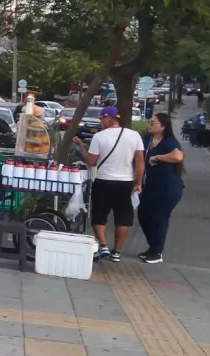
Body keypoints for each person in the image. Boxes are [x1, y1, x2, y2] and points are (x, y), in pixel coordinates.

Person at [72, 107, 145, 262]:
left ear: (108, 118)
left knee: (99, 215)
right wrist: (138, 182)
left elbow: (91, 162)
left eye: (101, 119)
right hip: (126, 183)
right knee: (123, 218)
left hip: (104, 181)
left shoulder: (99, 137)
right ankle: (116, 252)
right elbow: (139, 162)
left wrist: (82, 147)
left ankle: (103, 245)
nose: (100, 122)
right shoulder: (135, 136)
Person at [138, 113, 185, 264]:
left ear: (163, 126)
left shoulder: (169, 142)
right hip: (149, 185)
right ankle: (152, 247)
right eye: (149, 122)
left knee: (159, 218)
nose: (149, 125)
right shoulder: (147, 139)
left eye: (153, 123)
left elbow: (178, 157)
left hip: (167, 187)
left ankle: (157, 252)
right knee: (143, 215)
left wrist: (158, 157)